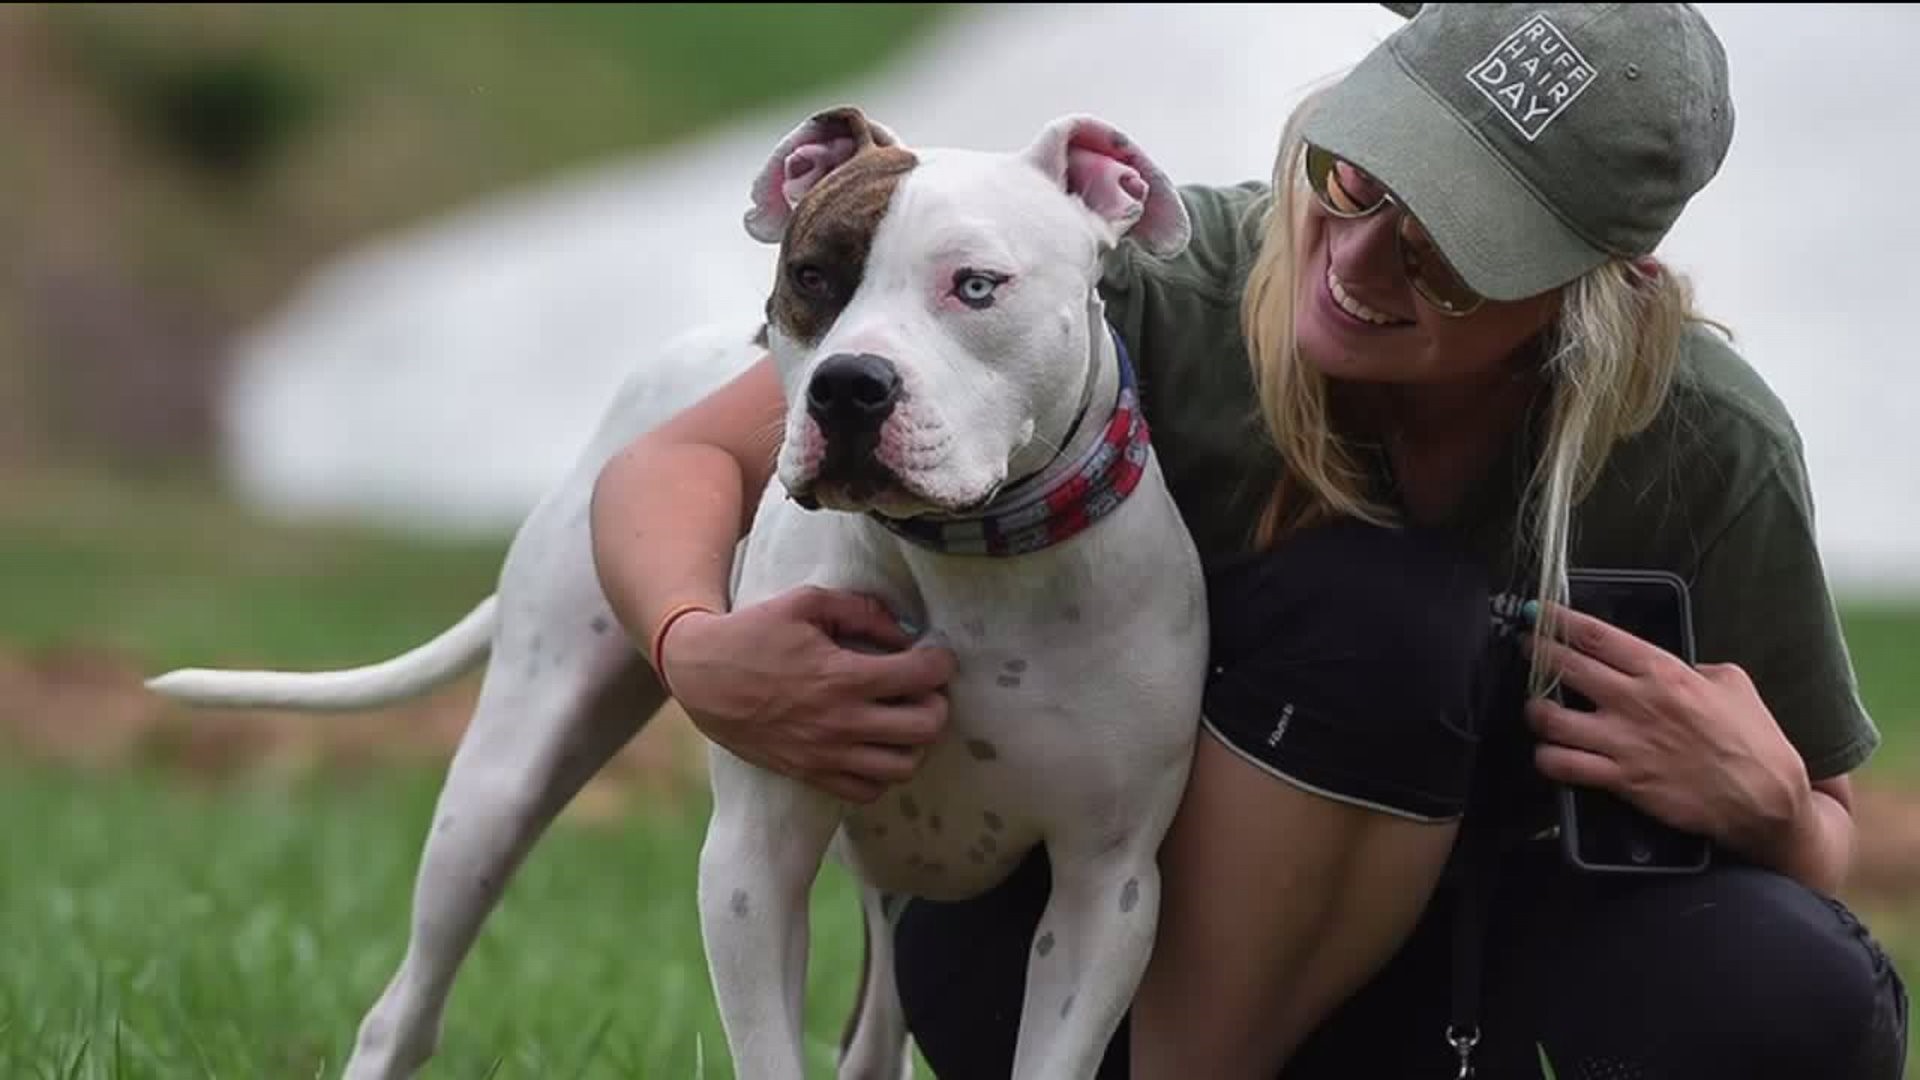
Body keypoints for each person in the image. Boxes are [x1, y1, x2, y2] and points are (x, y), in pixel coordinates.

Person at [589, 4, 1909, 1077]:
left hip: (1475, 973)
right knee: (1382, 614)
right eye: (1357, 176)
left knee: (1808, 996)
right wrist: (694, 652)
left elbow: (1822, 840)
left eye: (1454, 249)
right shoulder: (1147, 285)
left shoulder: (1710, 448)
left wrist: (1778, 803)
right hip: (1085, 982)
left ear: (1600, 285)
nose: (1360, 260)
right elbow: (684, 459)